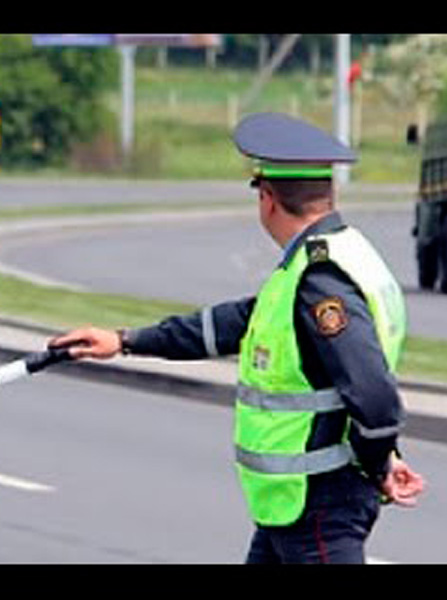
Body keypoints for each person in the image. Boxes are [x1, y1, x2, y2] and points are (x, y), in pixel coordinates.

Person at [49, 112, 425, 564]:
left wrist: (378, 460)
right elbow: (235, 324)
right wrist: (124, 340)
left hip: (318, 503)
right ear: (329, 194)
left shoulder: (320, 279)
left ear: (266, 198)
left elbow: (373, 393)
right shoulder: (340, 255)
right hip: (295, 505)